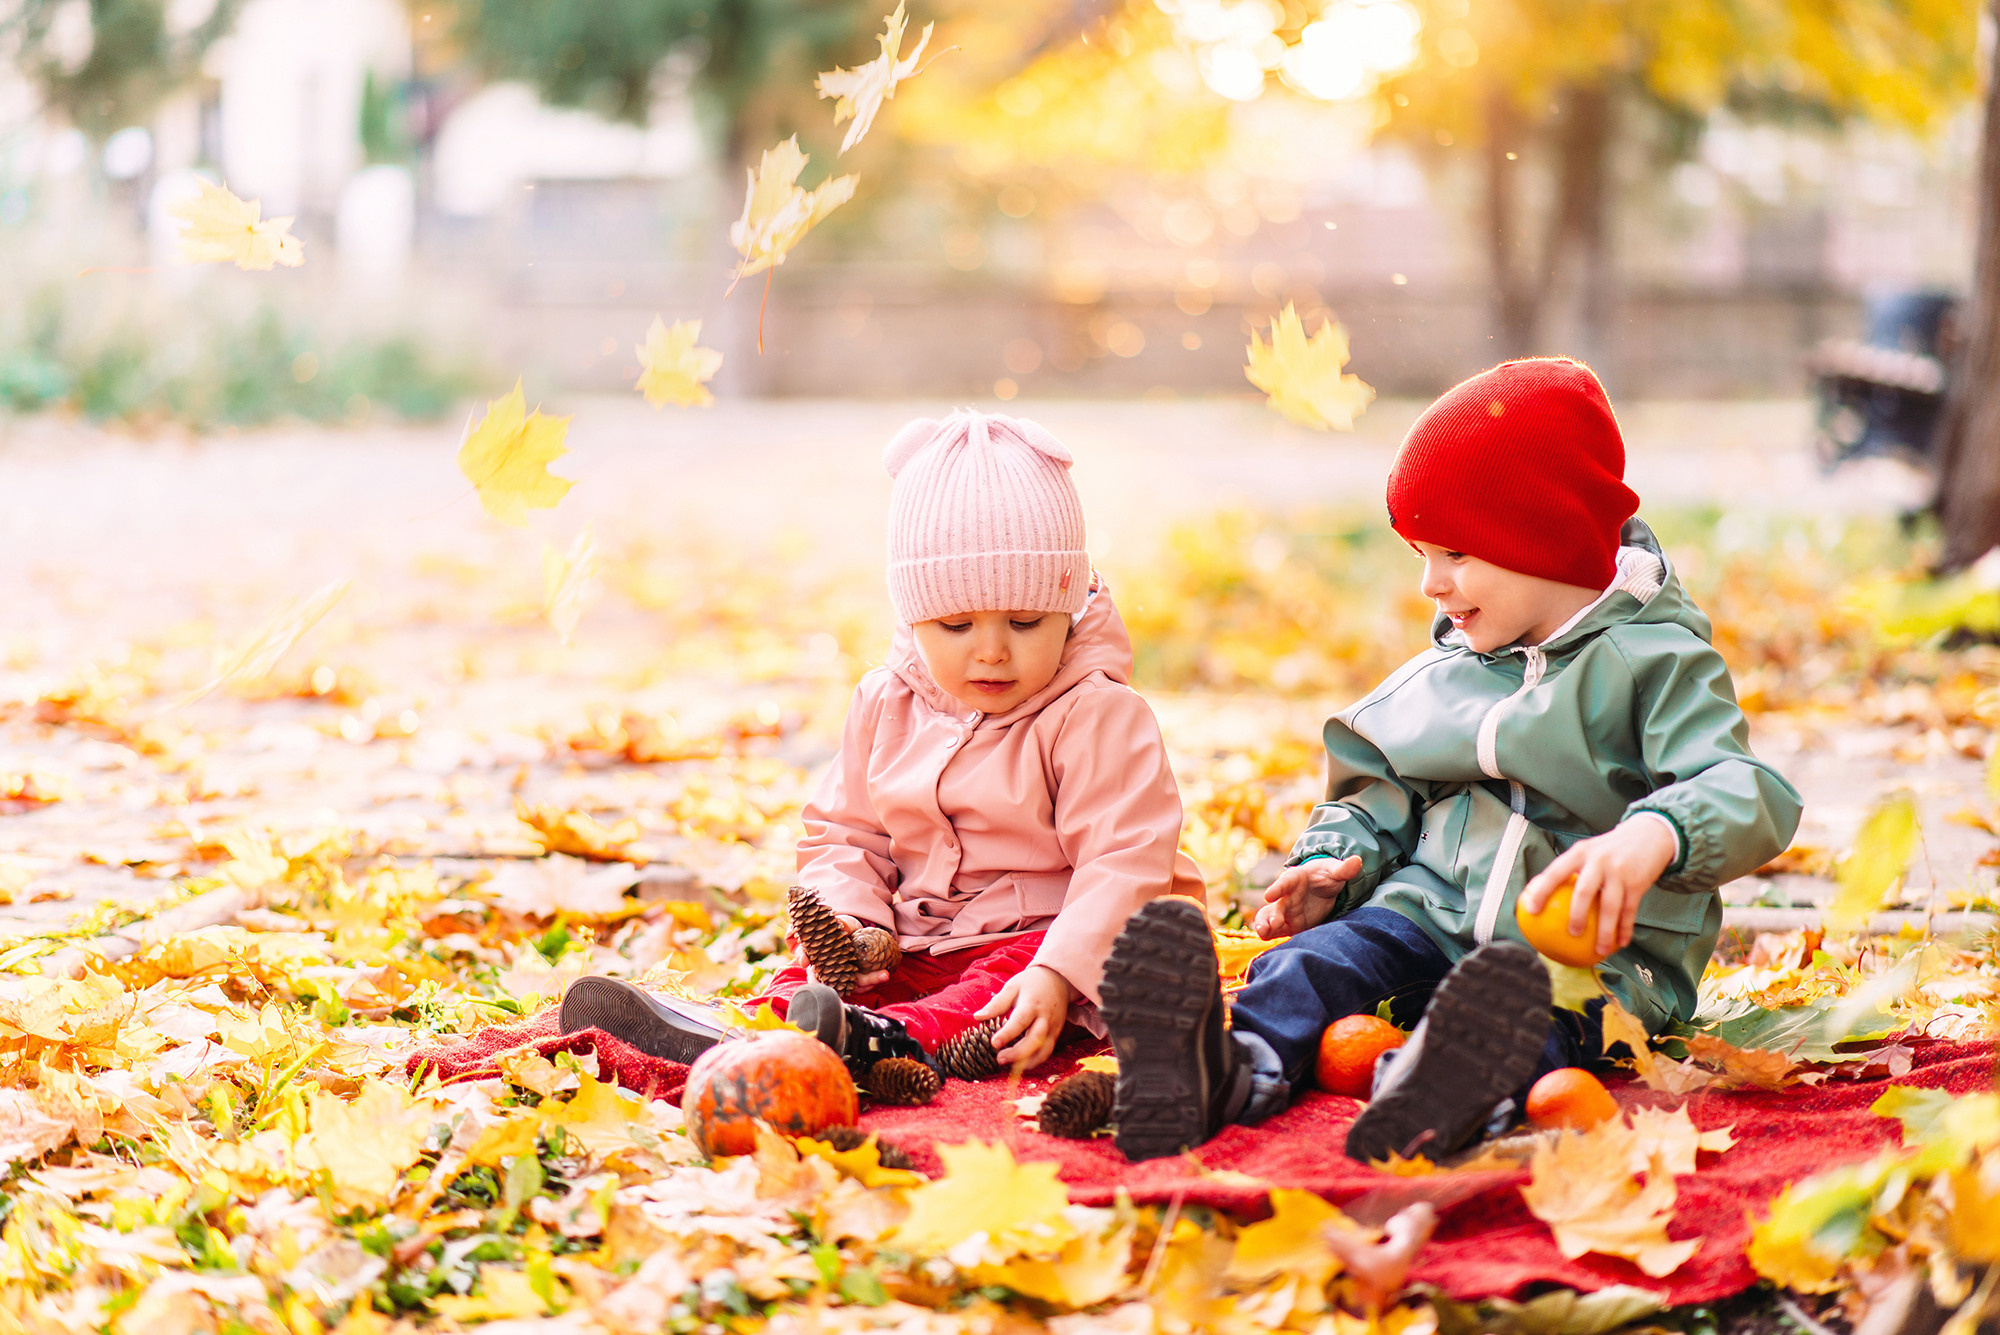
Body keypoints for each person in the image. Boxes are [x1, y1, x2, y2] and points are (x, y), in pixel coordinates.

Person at [1100, 358, 1803, 1164]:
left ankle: (1436, 1089)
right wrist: (1335, 864)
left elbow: (1747, 789)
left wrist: (1655, 833)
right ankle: (1219, 1068)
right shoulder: (1445, 671)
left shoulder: (1657, 664)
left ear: (1543, 538)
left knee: (1539, 1019)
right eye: (1420, 554)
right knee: (1315, 964)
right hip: (1425, 918)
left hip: (1590, 960)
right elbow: (1374, 792)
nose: (1431, 584)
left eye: (1455, 553)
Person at [562, 409, 1205, 1079]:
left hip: (1045, 944)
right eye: (955, 625)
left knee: (996, 992)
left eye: (1024, 622)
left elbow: (1123, 863)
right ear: (913, 616)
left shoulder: (1097, 714)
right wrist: (849, 922)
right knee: (820, 980)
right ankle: (753, 1030)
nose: (991, 650)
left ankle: (882, 1043)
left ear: (1067, 611)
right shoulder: (886, 701)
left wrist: (1059, 969)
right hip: (915, 939)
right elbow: (847, 834)